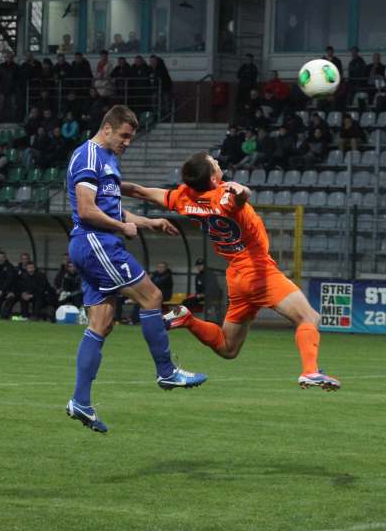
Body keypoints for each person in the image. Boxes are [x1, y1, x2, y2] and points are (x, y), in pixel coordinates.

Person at [123, 154, 341, 391]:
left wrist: (106, 183)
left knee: (228, 348)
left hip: (236, 275)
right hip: (259, 271)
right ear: (214, 178)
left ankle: (187, 319)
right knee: (309, 318)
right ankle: (310, 371)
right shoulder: (224, 196)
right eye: (214, 162)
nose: (217, 162)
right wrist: (241, 190)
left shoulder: (182, 198)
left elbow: (139, 191)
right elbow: (239, 198)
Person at [65, 105, 206, 435]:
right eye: (125, 136)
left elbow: (112, 207)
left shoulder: (108, 160)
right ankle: (166, 371)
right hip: (96, 241)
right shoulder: (89, 156)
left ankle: (81, 401)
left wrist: (148, 222)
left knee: (101, 323)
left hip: (94, 243)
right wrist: (119, 226)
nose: (128, 142)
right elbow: (87, 211)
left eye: (131, 137)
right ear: (108, 128)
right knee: (152, 295)